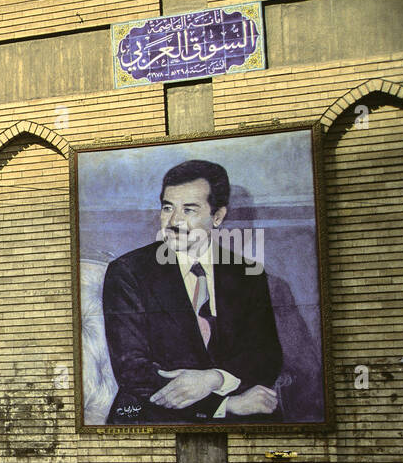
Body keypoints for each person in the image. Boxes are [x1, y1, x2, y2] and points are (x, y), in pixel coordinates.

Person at [102, 159, 283, 425]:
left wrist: (215, 378)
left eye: (189, 210)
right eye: (167, 208)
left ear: (217, 216)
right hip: (154, 416)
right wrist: (224, 405)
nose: (173, 221)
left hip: (245, 413)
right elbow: (133, 371)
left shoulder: (247, 274)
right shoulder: (128, 272)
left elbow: (266, 355)